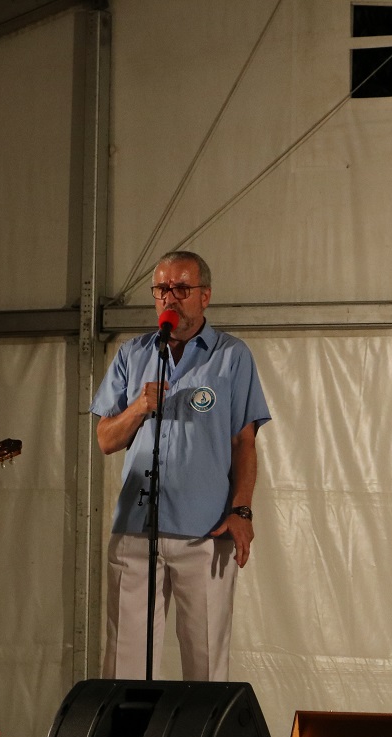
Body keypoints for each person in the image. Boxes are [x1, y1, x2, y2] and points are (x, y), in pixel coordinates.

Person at [92, 250, 270, 681]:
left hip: (204, 532)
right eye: (161, 289)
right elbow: (105, 439)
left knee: (205, 662)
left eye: (181, 289)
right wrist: (138, 408)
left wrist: (241, 509)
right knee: (125, 664)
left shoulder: (231, 356)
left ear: (204, 296)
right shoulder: (132, 354)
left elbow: (244, 443)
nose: (170, 298)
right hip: (135, 529)